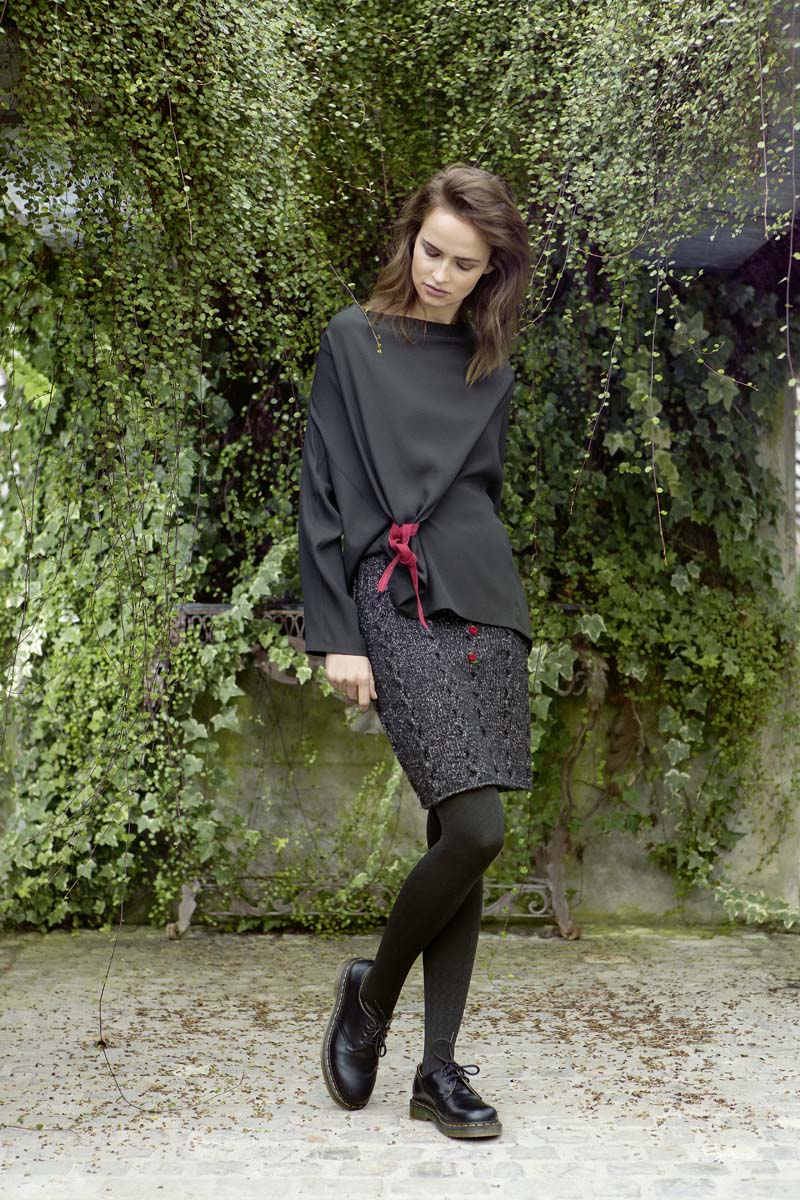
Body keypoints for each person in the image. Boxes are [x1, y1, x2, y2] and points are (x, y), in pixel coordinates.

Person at [297, 162, 533, 1140]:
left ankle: (437, 1071)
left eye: (464, 265)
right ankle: (372, 994)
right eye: (432, 251)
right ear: (409, 238)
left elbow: (480, 492)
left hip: (482, 601)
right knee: (477, 830)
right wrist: (336, 634)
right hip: (392, 597)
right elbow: (321, 490)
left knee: (457, 834)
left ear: (489, 274)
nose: (441, 274)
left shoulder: (489, 365)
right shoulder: (351, 340)